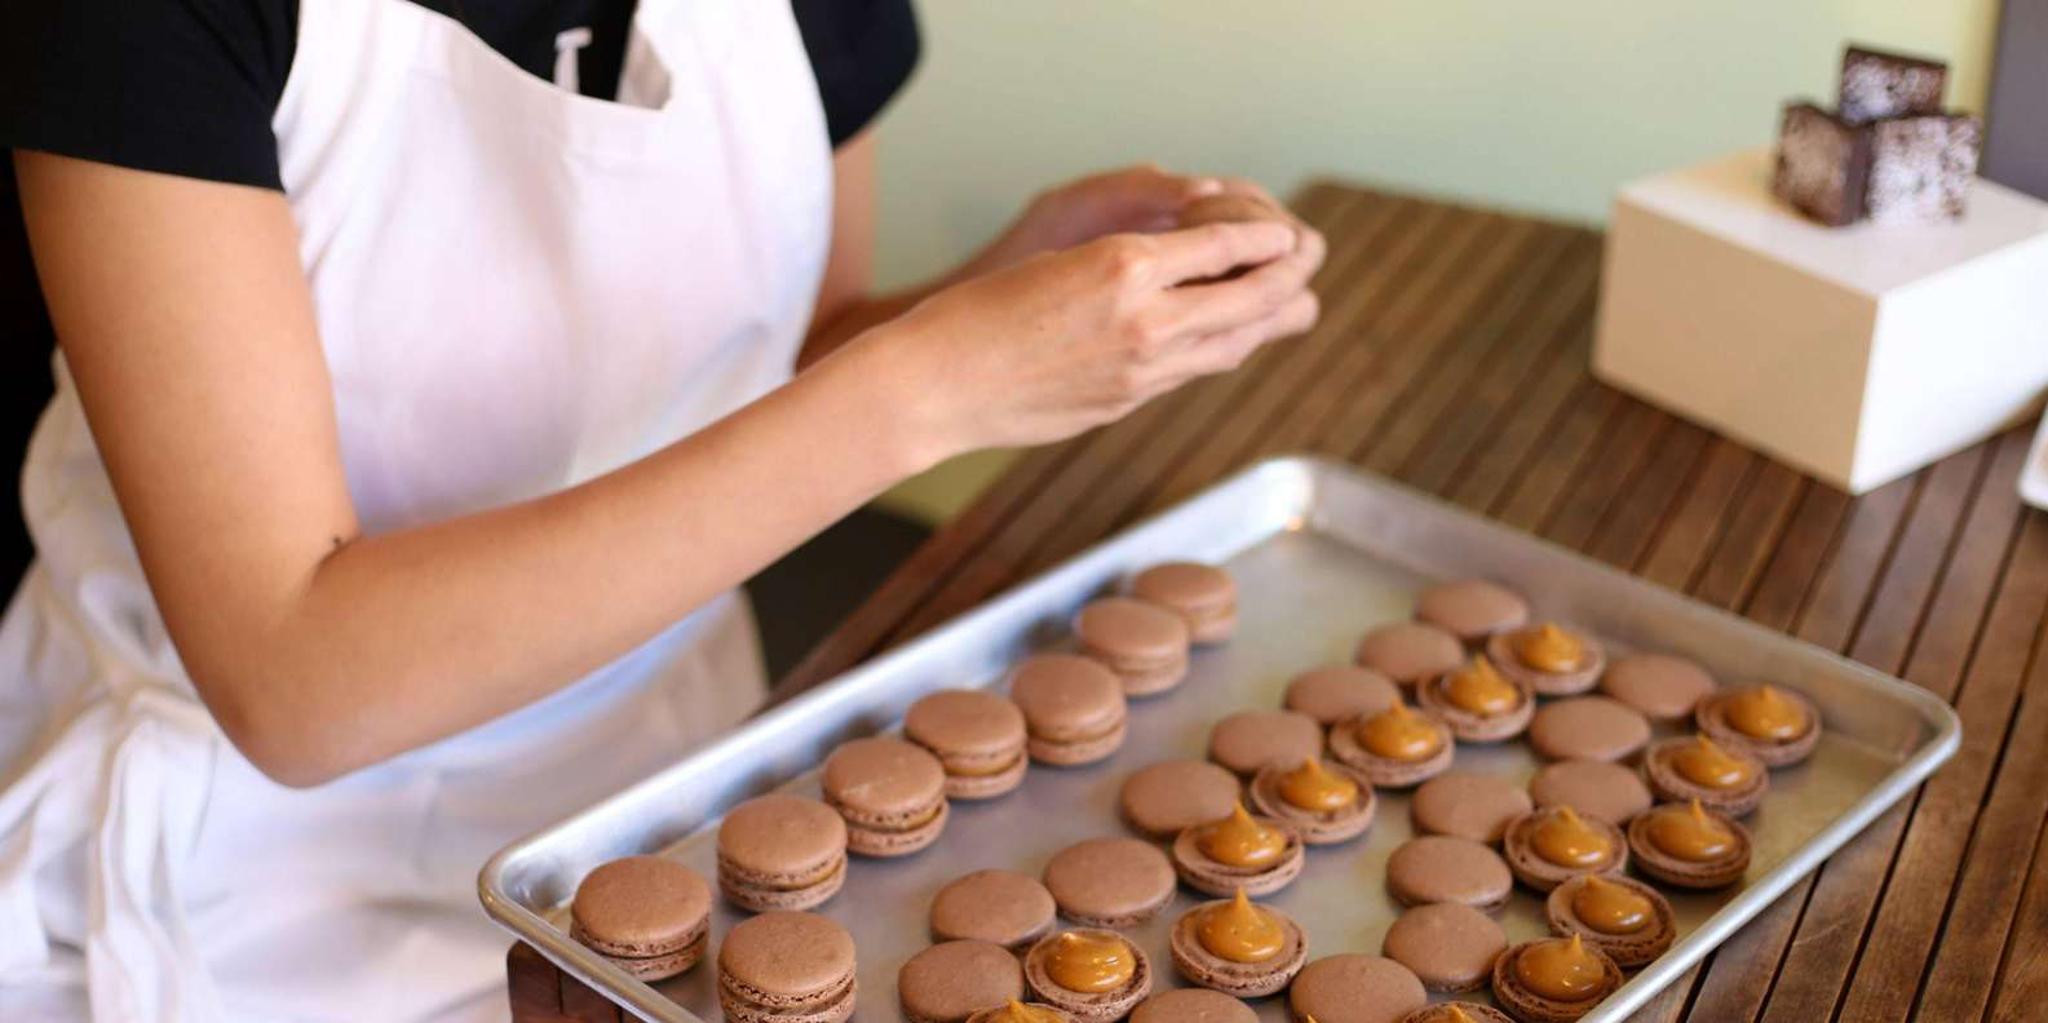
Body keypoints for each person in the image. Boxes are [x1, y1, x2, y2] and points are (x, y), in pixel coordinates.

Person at [0, 1, 1325, 1020]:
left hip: (684, 804)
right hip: (253, 871)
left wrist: (1001, 294)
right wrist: (928, 387)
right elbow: (291, 680)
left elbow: (788, 358)